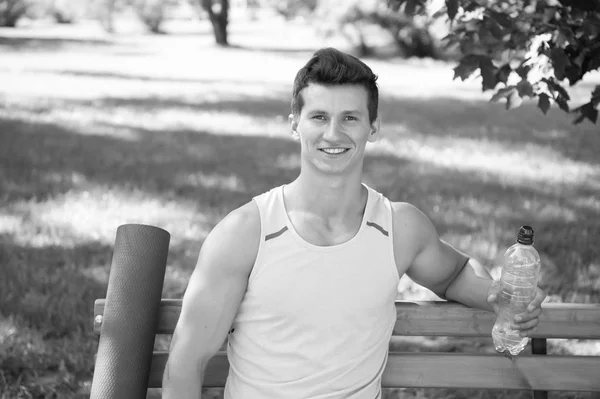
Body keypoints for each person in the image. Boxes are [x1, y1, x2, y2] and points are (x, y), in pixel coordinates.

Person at [162, 47, 547, 399]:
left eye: (350, 118)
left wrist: (496, 296)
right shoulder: (245, 233)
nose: (333, 133)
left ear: (373, 128)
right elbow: (184, 365)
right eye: (318, 117)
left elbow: (454, 274)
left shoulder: (400, 227)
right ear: (295, 124)